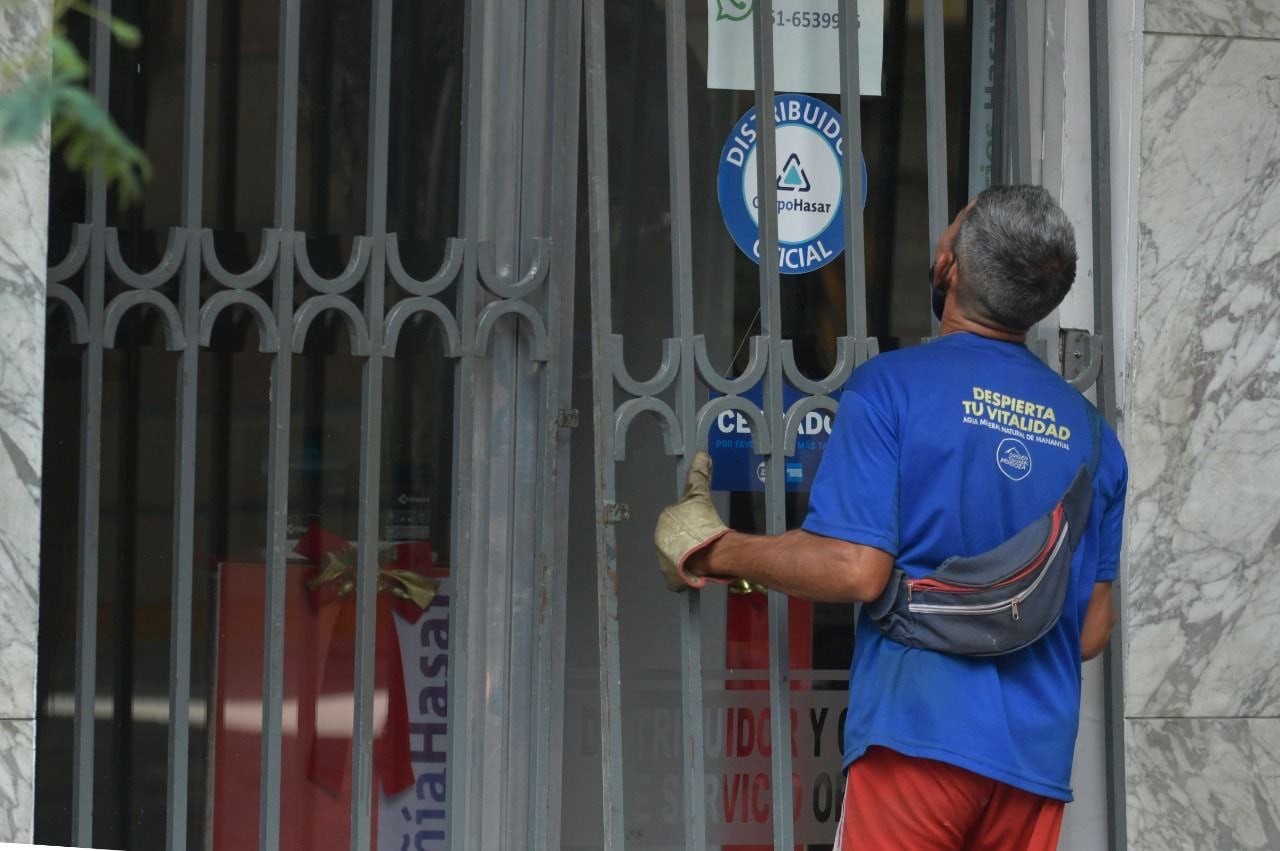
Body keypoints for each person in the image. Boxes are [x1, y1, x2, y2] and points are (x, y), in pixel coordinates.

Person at [654, 185, 1127, 850]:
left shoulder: (892, 388)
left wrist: (714, 547)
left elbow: (855, 569)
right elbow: (1091, 627)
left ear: (949, 269)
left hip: (916, 737)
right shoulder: (1096, 439)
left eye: (950, 233)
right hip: (1033, 765)